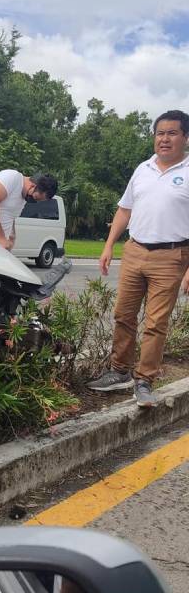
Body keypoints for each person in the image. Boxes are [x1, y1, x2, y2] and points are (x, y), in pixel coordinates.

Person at [87, 110, 189, 407]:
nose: (164, 139)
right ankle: (120, 372)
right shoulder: (142, 168)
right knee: (123, 315)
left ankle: (144, 380)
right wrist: (109, 246)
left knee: (156, 322)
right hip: (134, 250)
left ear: (185, 137)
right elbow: (124, 210)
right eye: (160, 133)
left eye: (172, 133)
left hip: (171, 255)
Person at [0, 170, 59, 250]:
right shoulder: (12, 178)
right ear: (33, 185)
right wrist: (1, 237)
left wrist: (12, 236)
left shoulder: (23, 196)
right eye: (35, 197)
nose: (33, 200)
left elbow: (10, 216)